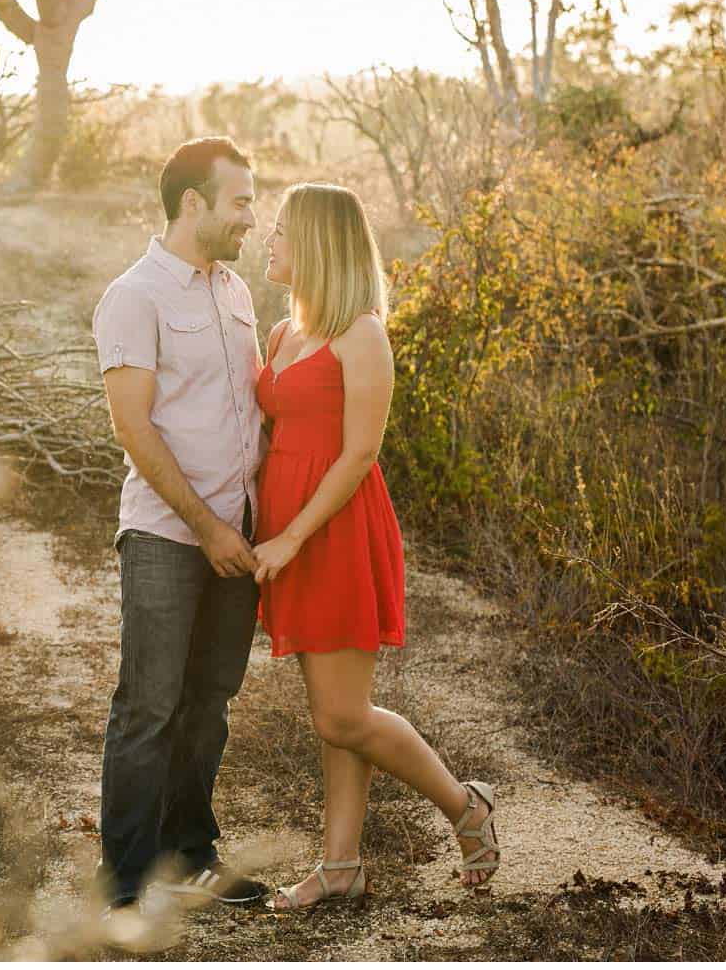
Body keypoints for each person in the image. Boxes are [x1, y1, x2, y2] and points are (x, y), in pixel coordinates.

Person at [251, 182, 503, 912]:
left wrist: (293, 537)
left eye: (282, 232)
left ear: (319, 245)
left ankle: (466, 806)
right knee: (335, 706)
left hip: (333, 532)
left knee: (341, 716)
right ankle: (340, 867)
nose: (269, 242)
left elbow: (359, 454)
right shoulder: (281, 334)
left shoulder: (362, 335)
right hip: (285, 534)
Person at [90, 136, 270, 913]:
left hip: (240, 531)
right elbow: (134, 427)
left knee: (210, 700)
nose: (252, 218)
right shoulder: (134, 296)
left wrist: (253, 524)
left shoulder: (235, 291)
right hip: (170, 534)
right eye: (241, 202)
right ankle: (124, 882)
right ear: (192, 203)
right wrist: (205, 528)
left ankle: (190, 849)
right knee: (149, 706)